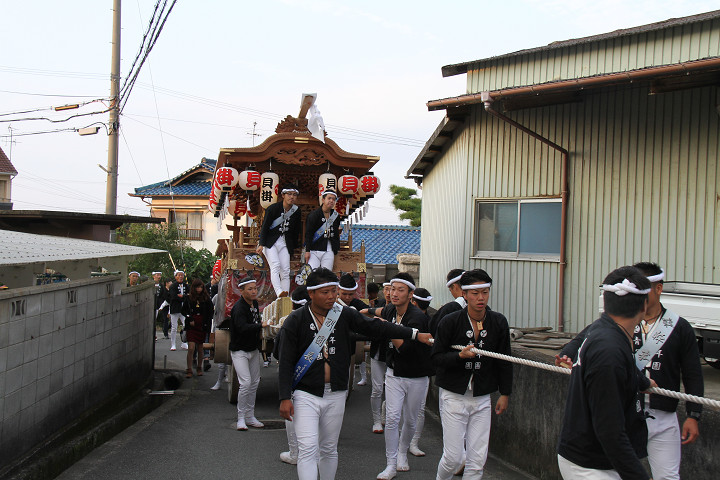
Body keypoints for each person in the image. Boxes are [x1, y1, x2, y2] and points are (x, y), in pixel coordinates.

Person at [278, 268, 433, 480]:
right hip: (305, 393)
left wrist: (413, 334)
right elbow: (285, 361)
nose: (332, 296)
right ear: (311, 293)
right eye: (325, 292)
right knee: (308, 449)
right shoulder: (295, 320)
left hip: (336, 392)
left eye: (334, 291)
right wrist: (284, 397)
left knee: (329, 448)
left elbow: (377, 327)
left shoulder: (343, 314)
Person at [556, 262, 703, 480]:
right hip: (604, 440)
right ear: (642, 304)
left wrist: (693, 414)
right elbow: (610, 433)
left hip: (659, 413)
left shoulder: (675, 327)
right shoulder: (610, 345)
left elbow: (692, 372)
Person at [557, 266, 653, 480]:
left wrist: (644, 382)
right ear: (644, 305)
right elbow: (610, 431)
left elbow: (624, 368)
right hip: (590, 464)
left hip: (594, 458)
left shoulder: (604, 330)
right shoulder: (609, 350)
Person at [431, 269, 512, 480]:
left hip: (482, 396)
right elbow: (436, 357)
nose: (481, 298)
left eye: (485, 292)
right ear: (464, 294)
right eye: (475, 293)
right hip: (453, 395)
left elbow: (504, 359)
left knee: (477, 461)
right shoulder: (450, 321)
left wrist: (505, 393)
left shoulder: (498, 322)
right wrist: (459, 356)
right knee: (454, 458)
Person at [374, 273, 434, 480]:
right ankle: (390, 464)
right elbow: (378, 312)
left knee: (410, 420)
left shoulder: (418, 318)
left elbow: (406, 349)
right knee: (392, 418)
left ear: (410, 294)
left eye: (401, 290)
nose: (394, 293)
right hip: (393, 373)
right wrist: (363, 311)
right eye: (392, 289)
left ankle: (402, 452)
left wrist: (386, 328)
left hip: (417, 375)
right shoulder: (391, 309)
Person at [229, 275, 269, 430]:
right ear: (242, 291)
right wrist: (260, 326)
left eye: (255, 288)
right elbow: (242, 328)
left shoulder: (254, 303)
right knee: (245, 383)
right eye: (250, 289)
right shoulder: (239, 308)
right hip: (240, 350)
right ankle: (241, 418)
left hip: (253, 349)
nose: (254, 291)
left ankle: (250, 416)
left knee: (255, 382)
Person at [278, 286, 311, 466]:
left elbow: (278, 353)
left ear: (292, 304)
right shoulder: (323, 320)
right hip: (318, 377)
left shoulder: (287, 320)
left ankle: (295, 452)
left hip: (296, 374)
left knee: (293, 412)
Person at [257, 184, 302, 297]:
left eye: (294, 195)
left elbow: (296, 230)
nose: (292, 197)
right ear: (283, 195)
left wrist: (295, 246)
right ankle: (279, 292)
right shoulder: (273, 209)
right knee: (275, 265)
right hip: (270, 242)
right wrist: (261, 244)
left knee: (285, 270)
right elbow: (265, 227)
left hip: (285, 242)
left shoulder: (296, 211)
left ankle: (285, 295)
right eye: (289, 194)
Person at [407, 287, 433, 458]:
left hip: (422, 370)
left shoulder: (431, 321)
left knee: (419, 408)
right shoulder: (404, 317)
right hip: (402, 369)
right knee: (403, 408)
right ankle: (406, 441)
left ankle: (413, 442)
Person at [337, 273, 370, 386]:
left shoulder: (357, 304)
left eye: (350, 294)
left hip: (351, 344)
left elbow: (370, 314)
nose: (347, 297)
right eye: (344, 294)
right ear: (338, 290)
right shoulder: (331, 303)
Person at [182, 278, 213, 378]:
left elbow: (210, 312)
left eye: (200, 287)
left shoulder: (206, 298)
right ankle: (189, 368)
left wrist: (207, 325)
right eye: (197, 287)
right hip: (192, 325)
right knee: (191, 348)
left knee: (200, 348)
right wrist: (189, 318)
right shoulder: (189, 298)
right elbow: (184, 310)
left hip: (202, 325)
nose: (199, 289)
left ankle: (199, 367)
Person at [304, 189, 341, 270]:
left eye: (333, 199)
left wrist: (336, 249)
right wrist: (307, 251)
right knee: (313, 273)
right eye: (329, 198)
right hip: (314, 249)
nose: (331, 201)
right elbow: (309, 234)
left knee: (326, 273)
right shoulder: (313, 215)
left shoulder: (336, 216)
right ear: (323, 200)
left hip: (329, 249)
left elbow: (336, 233)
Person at [429, 268, 466, 337]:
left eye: (450, 290)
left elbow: (434, 330)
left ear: (454, 286)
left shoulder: (449, 309)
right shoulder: (479, 307)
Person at [168, 270, 189, 351]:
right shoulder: (173, 286)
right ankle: (173, 344)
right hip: (175, 308)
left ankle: (184, 342)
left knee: (186, 325)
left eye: (182, 275)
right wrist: (183, 297)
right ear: (175, 276)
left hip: (184, 309)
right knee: (174, 327)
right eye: (179, 275)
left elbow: (189, 295)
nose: (180, 277)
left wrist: (182, 296)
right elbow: (173, 297)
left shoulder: (186, 285)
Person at [152, 272, 167, 339]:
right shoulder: (151, 285)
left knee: (154, 320)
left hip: (157, 305)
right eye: (157, 275)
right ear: (153, 276)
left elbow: (163, 295)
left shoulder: (161, 286)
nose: (159, 276)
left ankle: (154, 334)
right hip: (151, 304)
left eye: (160, 275)